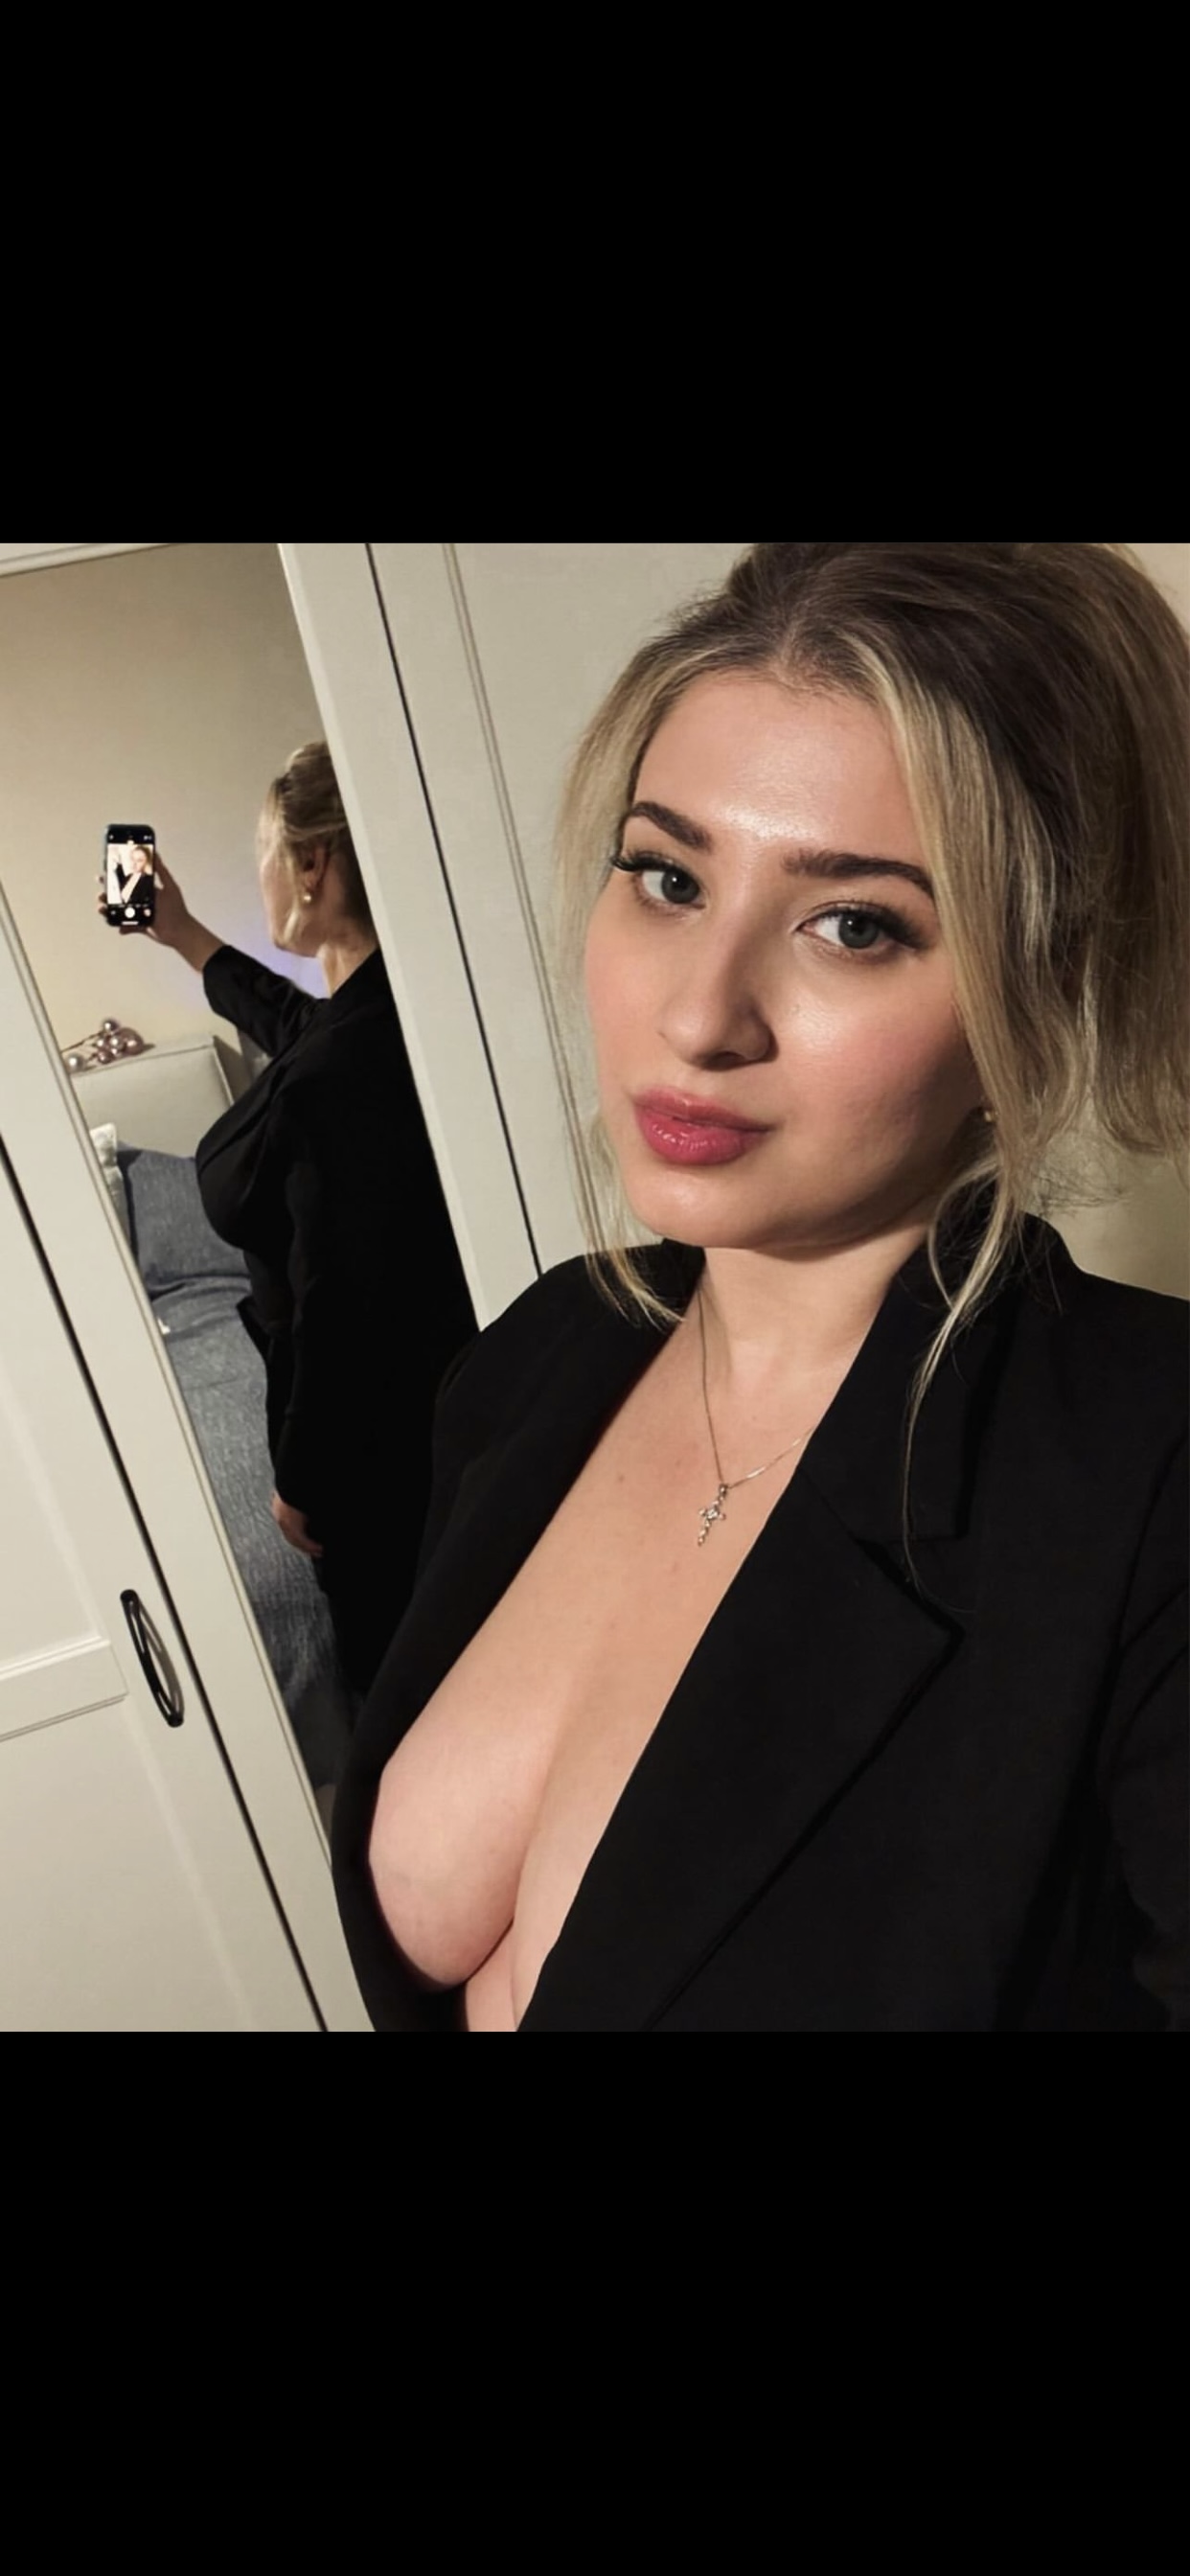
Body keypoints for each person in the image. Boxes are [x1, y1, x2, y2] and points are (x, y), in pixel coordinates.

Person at [332, 544, 1188, 2033]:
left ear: (1041, 996)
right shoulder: (542, 1353)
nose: (696, 1015)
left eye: (854, 923)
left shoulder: (1151, 1486)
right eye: (667, 878)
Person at [107, 741, 475, 1696]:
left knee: (399, 1679)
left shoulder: (341, 1072)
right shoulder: (386, 1017)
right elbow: (291, 1021)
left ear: (312, 864)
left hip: (368, 1451)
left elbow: (336, 1304)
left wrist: (305, 1477)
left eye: (265, 854)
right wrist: (183, 934)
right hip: (423, 1409)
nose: (262, 876)